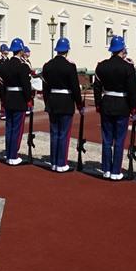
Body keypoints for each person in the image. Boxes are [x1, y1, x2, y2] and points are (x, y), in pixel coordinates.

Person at [93, 35, 136, 180]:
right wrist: (133, 108)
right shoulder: (128, 67)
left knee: (107, 139)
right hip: (122, 105)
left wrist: (98, 104)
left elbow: (97, 88)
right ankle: (116, 171)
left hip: (106, 103)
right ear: (122, 49)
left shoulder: (102, 66)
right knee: (119, 139)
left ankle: (106, 169)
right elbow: (132, 90)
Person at [41, 37, 84, 172]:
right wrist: (79, 104)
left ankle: (54, 162)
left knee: (54, 132)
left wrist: (47, 101)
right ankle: (61, 163)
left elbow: (45, 87)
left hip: (52, 101)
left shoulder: (48, 65)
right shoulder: (70, 66)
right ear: (67, 51)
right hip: (66, 102)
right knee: (64, 133)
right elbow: (75, 88)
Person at [1, 37, 32, 165]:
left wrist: (3, 99)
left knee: (9, 128)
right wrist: (28, 99)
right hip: (19, 100)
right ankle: (13, 156)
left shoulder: (5, 65)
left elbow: (2, 84)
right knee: (17, 129)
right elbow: (26, 86)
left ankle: (9, 154)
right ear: (20, 51)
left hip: (8, 99)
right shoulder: (23, 66)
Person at [0, 43, 10, 119]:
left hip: (7, 80)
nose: (7, 51)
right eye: (6, 50)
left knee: (7, 97)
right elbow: (0, 70)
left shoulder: (8, 59)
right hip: (2, 80)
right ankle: (3, 113)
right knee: (3, 97)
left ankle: (7, 112)